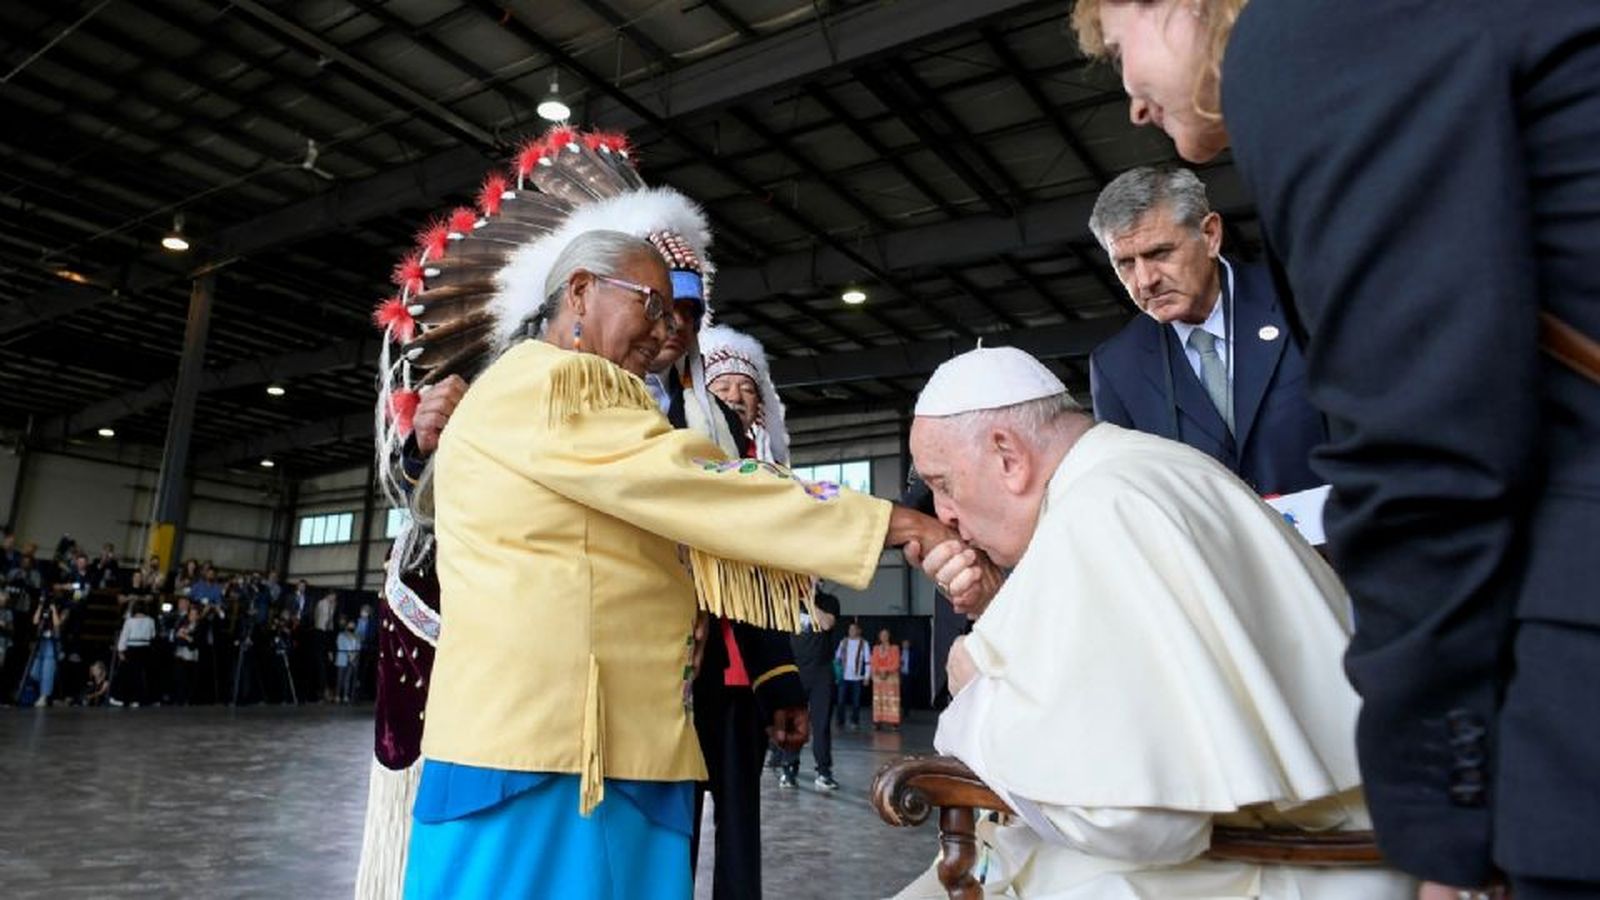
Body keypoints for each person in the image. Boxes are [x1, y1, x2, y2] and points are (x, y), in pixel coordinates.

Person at [1073, 2, 1600, 895]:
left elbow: (1426, 445)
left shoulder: (1315, 32)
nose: (1130, 99)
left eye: (1119, 48)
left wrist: (1440, 826)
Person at [894, 345, 1409, 898]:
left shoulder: (1102, 511)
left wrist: (977, 694)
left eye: (944, 483)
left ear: (1007, 456)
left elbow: (1134, 819)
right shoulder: (1148, 469)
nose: (944, 513)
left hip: (1280, 869)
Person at [1086, 166, 1323, 496]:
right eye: (1125, 263)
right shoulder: (1115, 367)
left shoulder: (1301, 300)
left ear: (1211, 235)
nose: (1144, 280)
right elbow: (1132, 494)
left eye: (1159, 253)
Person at [780, 587, 840, 791]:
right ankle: (788, 768)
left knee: (821, 725)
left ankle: (823, 772)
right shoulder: (788, 600)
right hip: (794, 669)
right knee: (793, 723)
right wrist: (794, 598)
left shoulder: (829, 600)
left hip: (821, 673)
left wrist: (808, 600)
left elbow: (826, 623)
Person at [114, 598, 156, 707]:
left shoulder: (130, 621)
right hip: (145, 649)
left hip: (132, 649)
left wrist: (120, 651)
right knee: (141, 675)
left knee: (128, 675)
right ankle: (139, 699)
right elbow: (153, 635)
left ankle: (124, 699)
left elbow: (124, 636)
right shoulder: (151, 621)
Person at [833, 622, 869, 730]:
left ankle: (855, 721)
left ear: (859, 631)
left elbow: (868, 661)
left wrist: (867, 676)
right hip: (844, 677)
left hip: (857, 678)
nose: (851, 631)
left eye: (854, 629)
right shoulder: (843, 641)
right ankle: (840, 721)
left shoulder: (864, 643)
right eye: (850, 629)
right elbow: (837, 658)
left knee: (856, 702)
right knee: (840, 701)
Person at [870, 628, 901, 731]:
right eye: (882, 635)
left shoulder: (894, 648)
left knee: (891, 700)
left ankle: (893, 722)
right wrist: (880, 671)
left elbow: (896, 663)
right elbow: (873, 663)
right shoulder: (875, 648)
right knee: (879, 701)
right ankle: (877, 721)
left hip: (891, 679)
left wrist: (886, 671)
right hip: (879, 680)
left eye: (886, 635)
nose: (884, 637)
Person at [335, 618, 360, 704]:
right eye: (350, 625)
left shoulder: (357, 636)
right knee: (340, 678)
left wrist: (354, 655)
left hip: (352, 660)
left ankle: (346, 696)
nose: (351, 627)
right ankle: (337, 695)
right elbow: (340, 645)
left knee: (348, 679)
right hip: (343, 659)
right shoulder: (341, 635)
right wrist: (349, 654)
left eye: (353, 625)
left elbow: (358, 646)